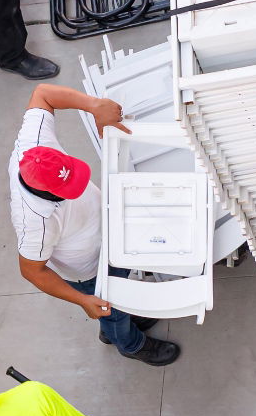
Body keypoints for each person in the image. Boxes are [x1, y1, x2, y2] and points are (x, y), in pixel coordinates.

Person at [10, 81, 181, 369]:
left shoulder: (34, 145)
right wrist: (82, 299)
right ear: (49, 195)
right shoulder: (35, 221)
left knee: (119, 296)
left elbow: (42, 93)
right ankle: (130, 343)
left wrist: (94, 105)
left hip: (107, 236)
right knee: (109, 305)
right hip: (88, 268)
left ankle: (116, 324)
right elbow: (32, 271)